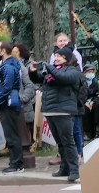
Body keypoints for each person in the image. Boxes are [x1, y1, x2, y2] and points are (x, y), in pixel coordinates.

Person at [29, 47, 81, 181]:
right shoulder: (52, 71)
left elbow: (64, 78)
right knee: (60, 143)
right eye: (55, 56)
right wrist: (33, 72)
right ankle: (64, 168)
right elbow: (39, 79)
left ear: (67, 58)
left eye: (59, 56)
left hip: (64, 111)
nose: (56, 58)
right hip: (50, 110)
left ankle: (74, 170)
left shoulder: (73, 70)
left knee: (68, 142)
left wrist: (49, 67)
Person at [0, 41, 24, 174]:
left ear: (3, 51)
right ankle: (15, 162)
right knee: (12, 134)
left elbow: (7, 87)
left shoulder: (8, 67)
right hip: (9, 103)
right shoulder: (10, 64)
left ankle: (16, 164)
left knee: (11, 135)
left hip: (8, 104)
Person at [12, 44, 37, 140]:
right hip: (25, 98)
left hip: (30, 98)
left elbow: (31, 83)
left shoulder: (28, 64)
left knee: (30, 125)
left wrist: (24, 97)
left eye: (16, 51)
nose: (14, 53)